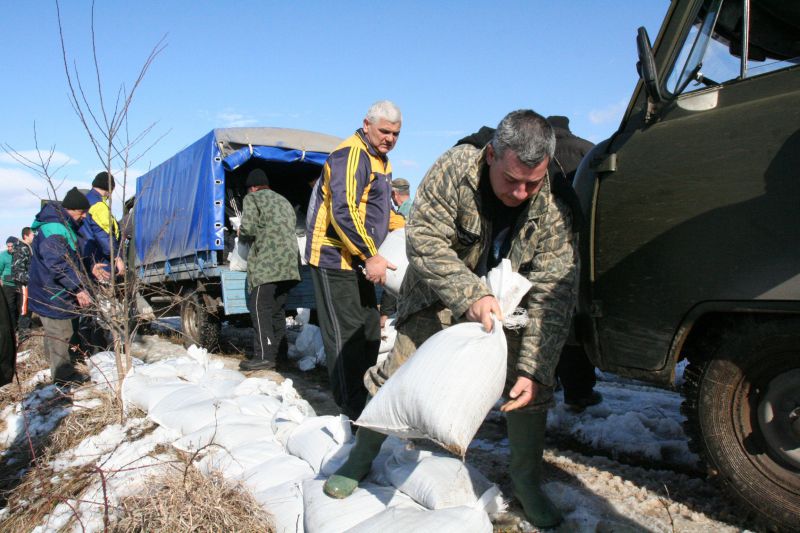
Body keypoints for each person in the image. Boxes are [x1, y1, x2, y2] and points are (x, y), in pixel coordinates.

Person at [324, 110, 578, 529]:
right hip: (439, 289)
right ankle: (361, 456)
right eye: (510, 179)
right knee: (399, 369)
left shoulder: (555, 205)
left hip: (513, 299)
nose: (519, 192)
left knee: (532, 385)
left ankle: (527, 482)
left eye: (531, 183)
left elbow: (554, 294)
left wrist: (534, 368)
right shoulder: (456, 167)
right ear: (492, 154)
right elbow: (423, 240)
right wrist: (470, 295)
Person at [305, 100, 404, 420]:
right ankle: (353, 412)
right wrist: (370, 255)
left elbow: (381, 212)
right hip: (334, 258)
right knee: (346, 336)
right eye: (385, 131)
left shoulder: (381, 160)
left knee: (369, 333)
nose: (390, 138)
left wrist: (409, 228)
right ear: (367, 124)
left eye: (396, 133)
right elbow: (344, 210)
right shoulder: (351, 155)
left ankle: (364, 396)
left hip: (359, 261)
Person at [547, 115, 602, 411]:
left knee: (542, 316)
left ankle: (547, 380)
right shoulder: (588, 149)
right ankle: (579, 391)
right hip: (580, 244)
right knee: (573, 319)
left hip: (543, 245)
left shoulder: (540, 154)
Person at [28, 188, 108, 384]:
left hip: (55, 290)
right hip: (52, 292)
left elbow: (71, 258)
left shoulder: (64, 226)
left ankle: (57, 367)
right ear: (72, 209)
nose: (84, 216)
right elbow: (58, 263)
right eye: (82, 212)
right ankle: (63, 378)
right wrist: (78, 288)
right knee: (60, 332)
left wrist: (91, 268)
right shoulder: (55, 228)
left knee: (59, 332)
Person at [238, 169, 301, 371]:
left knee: (259, 310)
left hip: (267, 266)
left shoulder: (252, 199)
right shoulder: (284, 201)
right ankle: (279, 356)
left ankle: (263, 356)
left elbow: (249, 228)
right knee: (277, 312)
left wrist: (241, 232)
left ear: (253, 187)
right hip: (290, 266)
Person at [11, 228, 35, 342]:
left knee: (28, 307)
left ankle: (26, 330)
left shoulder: (28, 247)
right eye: (32, 235)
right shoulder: (22, 248)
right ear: (26, 236)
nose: (34, 237)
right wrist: (30, 280)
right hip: (23, 283)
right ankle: (23, 336)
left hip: (27, 283)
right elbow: (18, 269)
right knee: (24, 308)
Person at [0, 237, 19, 332]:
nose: (10, 248)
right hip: (7, 284)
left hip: (20, 284)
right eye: (8, 246)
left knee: (20, 306)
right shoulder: (3, 255)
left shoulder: (20, 254)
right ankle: (13, 327)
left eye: (11, 246)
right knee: (10, 307)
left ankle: (21, 326)